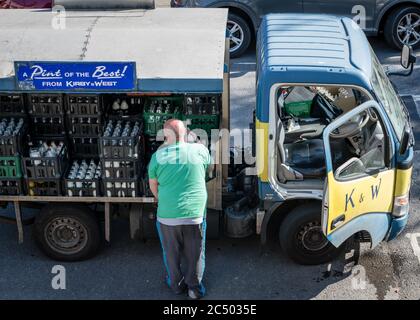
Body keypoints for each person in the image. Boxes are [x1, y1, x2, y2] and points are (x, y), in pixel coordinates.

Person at [148, 119, 211, 299]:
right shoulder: (199, 150)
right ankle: (194, 289)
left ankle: (176, 285)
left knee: (171, 252)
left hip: (167, 216)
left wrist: (163, 199)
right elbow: (207, 168)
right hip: (195, 215)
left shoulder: (157, 157)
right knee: (196, 254)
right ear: (186, 133)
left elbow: (153, 185)